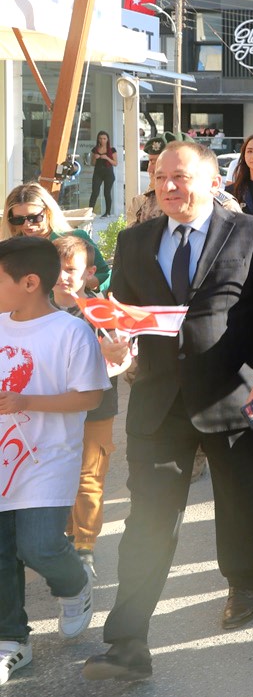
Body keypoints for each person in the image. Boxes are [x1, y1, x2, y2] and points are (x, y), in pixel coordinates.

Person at [83, 140, 253, 681]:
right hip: (157, 402)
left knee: (240, 498)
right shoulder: (133, 243)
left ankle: (244, 579)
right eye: (160, 177)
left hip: (232, 394)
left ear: (211, 180)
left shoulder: (250, 232)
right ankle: (128, 640)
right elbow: (125, 320)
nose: (169, 187)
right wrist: (116, 346)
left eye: (180, 177)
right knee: (148, 518)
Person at [0, 236, 106, 685]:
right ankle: (11, 641)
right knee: (2, 551)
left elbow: (91, 395)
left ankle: (74, 584)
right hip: (4, 460)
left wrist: (27, 399)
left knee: (39, 544)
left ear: (29, 282)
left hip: (48, 457)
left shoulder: (70, 331)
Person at [52, 236, 125, 572]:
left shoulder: (100, 310)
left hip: (96, 405)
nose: (63, 276)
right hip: (51, 406)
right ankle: (67, 533)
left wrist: (113, 353)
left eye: (71, 270)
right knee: (57, 471)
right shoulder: (34, 308)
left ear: (90, 273)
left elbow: (123, 356)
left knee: (89, 475)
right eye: (57, 269)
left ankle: (85, 546)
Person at [3, 183, 109, 292]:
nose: (27, 224)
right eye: (18, 219)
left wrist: (77, 281)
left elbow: (105, 275)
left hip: (70, 306)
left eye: (33, 217)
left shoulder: (75, 238)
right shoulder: (11, 248)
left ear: (48, 212)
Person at [88, 131, 118, 216]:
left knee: (107, 193)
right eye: (100, 138)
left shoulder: (112, 150)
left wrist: (107, 158)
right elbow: (92, 163)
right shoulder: (95, 149)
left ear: (107, 139)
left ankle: (107, 212)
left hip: (108, 173)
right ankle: (90, 212)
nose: (102, 140)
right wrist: (95, 158)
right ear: (98, 139)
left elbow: (115, 163)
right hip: (98, 173)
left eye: (104, 138)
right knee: (95, 192)